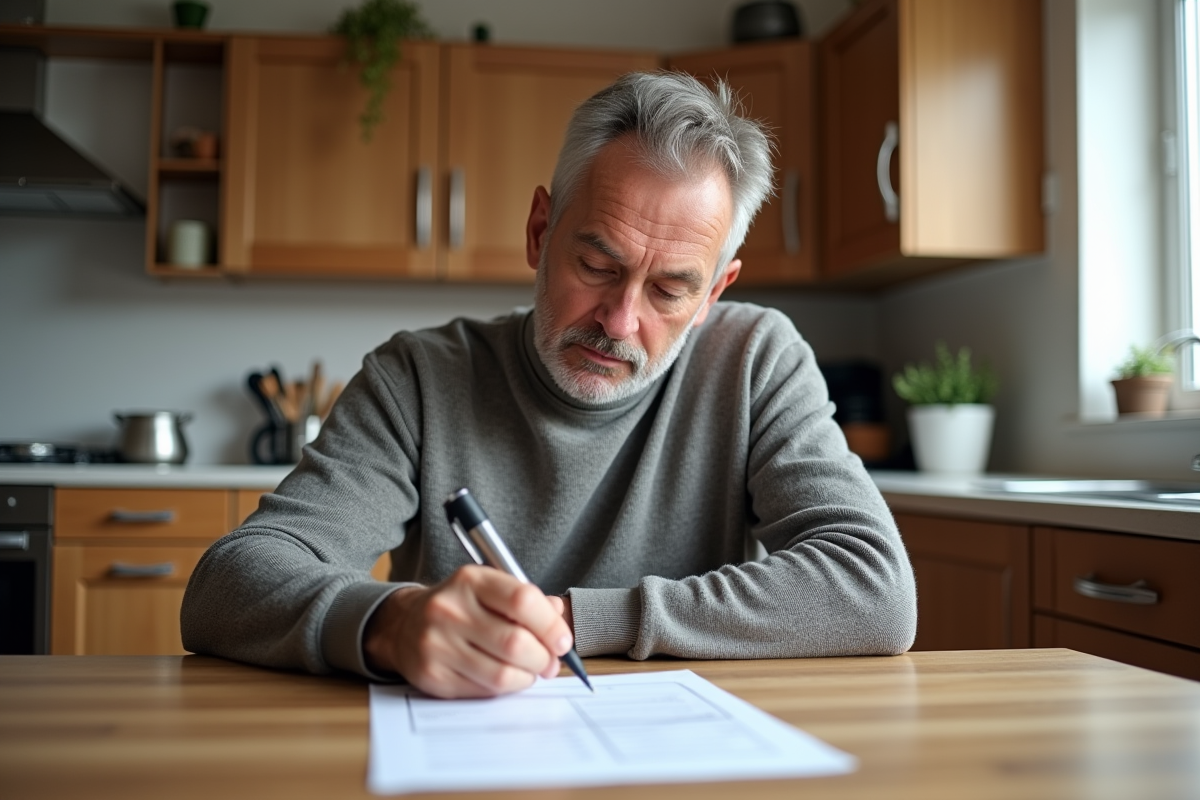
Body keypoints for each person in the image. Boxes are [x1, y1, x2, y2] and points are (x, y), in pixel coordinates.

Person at [181, 72, 917, 699]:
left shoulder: (756, 360)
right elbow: (227, 585)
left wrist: (574, 621)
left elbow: (873, 588)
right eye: (597, 266)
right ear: (540, 231)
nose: (619, 321)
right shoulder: (417, 379)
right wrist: (391, 623)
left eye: (669, 290)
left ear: (713, 295)